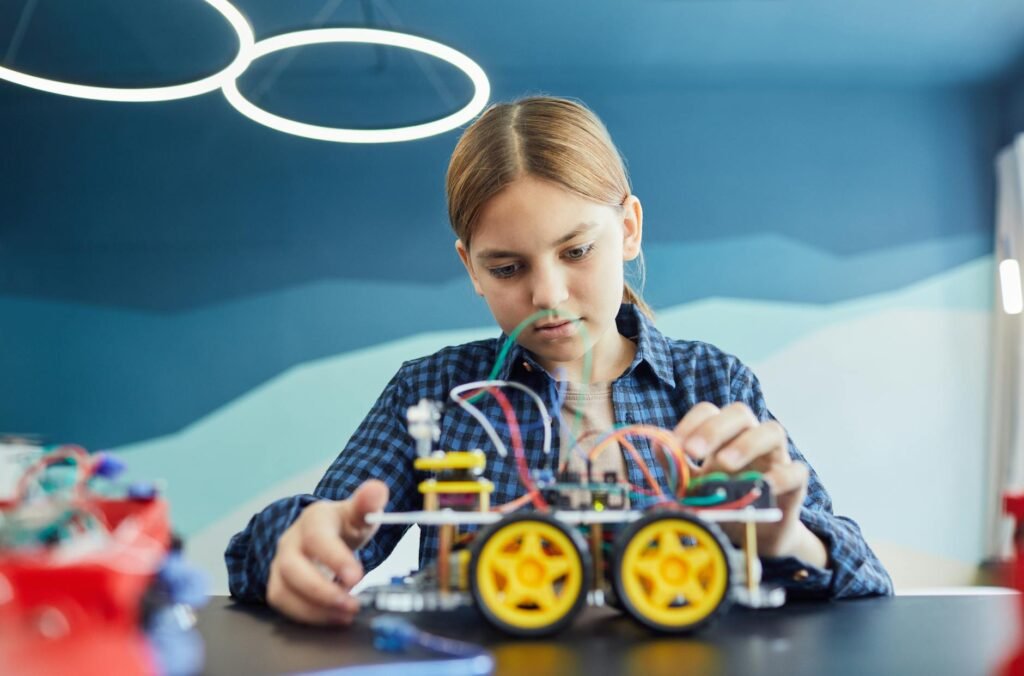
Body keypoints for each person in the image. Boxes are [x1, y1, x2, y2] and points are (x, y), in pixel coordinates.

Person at [226, 96, 893, 625]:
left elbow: (865, 579)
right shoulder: (431, 392)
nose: (547, 295)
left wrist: (784, 539)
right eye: (508, 267)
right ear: (472, 270)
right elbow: (310, 535)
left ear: (628, 228)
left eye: (576, 251)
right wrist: (296, 543)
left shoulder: (713, 383)